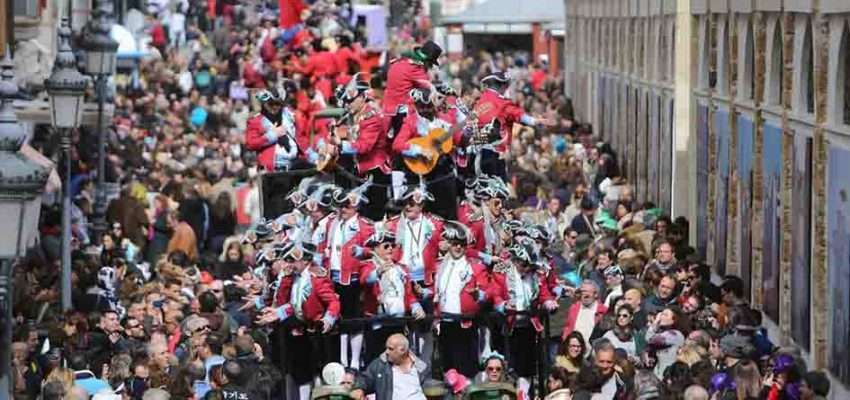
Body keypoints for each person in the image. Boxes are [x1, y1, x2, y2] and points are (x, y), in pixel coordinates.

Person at [318, 184, 374, 370]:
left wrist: (363, 251)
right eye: (340, 206)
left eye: (347, 206)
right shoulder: (333, 223)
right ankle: (342, 359)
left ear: (356, 207)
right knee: (340, 319)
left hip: (353, 277)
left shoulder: (363, 226)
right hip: (333, 275)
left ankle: (355, 361)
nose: (342, 210)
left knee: (354, 319)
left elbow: (374, 250)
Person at [328, 75, 393, 220]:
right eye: (345, 101)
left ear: (363, 96)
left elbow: (365, 146)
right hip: (359, 168)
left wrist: (340, 144)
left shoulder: (371, 116)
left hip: (374, 170)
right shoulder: (353, 114)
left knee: (372, 216)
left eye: (350, 100)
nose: (347, 105)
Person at [360, 224, 425, 362]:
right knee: (378, 358)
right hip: (378, 321)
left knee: (399, 358)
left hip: (398, 322)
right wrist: (378, 272)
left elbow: (409, 294)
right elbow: (365, 280)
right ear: (375, 249)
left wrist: (416, 307)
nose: (390, 248)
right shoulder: (369, 265)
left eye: (392, 246)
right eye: (386, 246)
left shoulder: (401, 268)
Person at [392, 87, 460, 220]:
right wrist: (419, 150)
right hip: (422, 174)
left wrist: (470, 135)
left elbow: (459, 139)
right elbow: (397, 144)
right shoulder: (411, 121)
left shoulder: (446, 119)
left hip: (444, 173)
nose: (424, 110)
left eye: (428, 106)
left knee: (448, 213)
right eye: (420, 107)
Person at [434, 221, 490, 378]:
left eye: (461, 244)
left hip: (464, 323)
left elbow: (487, 291)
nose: (458, 248)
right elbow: (437, 292)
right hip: (445, 321)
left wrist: (479, 295)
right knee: (447, 367)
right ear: (449, 245)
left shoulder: (475, 266)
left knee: (466, 366)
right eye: (454, 244)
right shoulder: (440, 266)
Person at [351, 334, 430, 400]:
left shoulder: (421, 367)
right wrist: (359, 388)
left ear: (402, 350)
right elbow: (365, 378)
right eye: (386, 348)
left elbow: (433, 387)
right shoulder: (380, 365)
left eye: (390, 349)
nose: (387, 352)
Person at [245, 86, 300, 172]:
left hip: (294, 164)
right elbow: (250, 143)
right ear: (264, 104)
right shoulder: (256, 121)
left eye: (277, 104)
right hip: (273, 168)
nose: (274, 107)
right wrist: (272, 135)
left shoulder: (289, 116)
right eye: (271, 104)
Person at [562, 280, 608, 348]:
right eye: (582, 292)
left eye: (587, 292)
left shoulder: (603, 311)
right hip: (574, 350)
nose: (584, 294)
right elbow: (567, 328)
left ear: (595, 294)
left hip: (594, 351)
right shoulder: (574, 308)